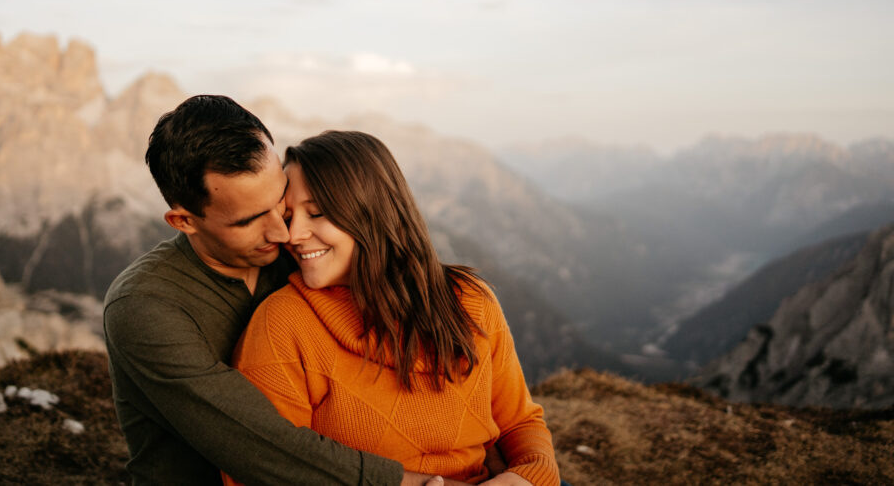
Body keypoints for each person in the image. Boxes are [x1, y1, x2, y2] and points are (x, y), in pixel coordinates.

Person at [104, 95, 471, 485]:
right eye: (249, 220)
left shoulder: (303, 257)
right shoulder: (145, 307)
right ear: (184, 221)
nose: (283, 232)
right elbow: (260, 448)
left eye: (280, 201)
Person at [227, 130, 561, 486]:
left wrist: (528, 478)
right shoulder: (282, 325)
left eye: (318, 213)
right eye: (290, 216)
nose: (293, 236)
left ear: (372, 212)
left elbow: (520, 422)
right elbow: (265, 470)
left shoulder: (470, 301)